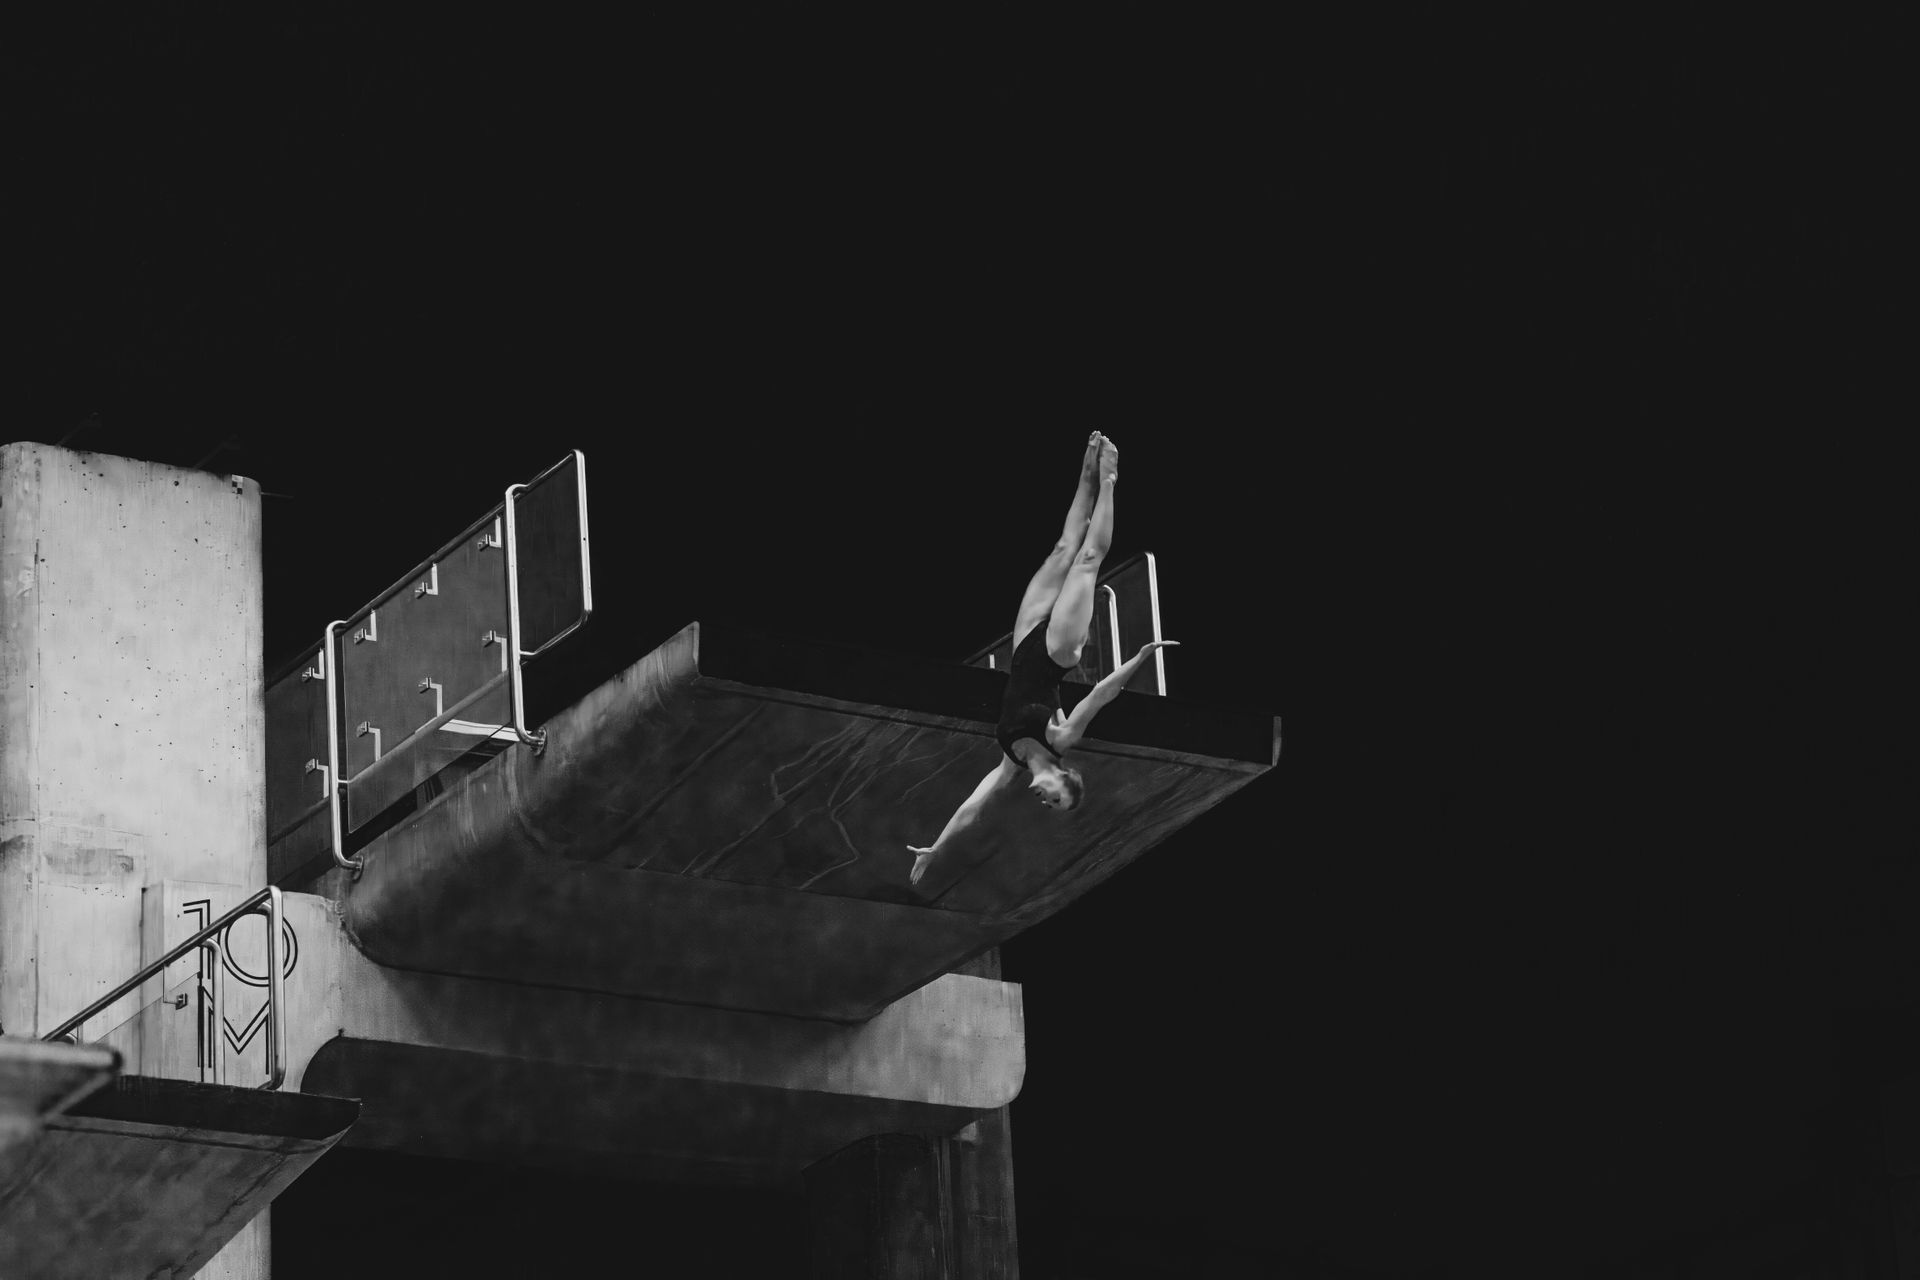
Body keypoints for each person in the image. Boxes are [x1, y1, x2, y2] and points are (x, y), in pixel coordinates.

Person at [909, 432, 1176, 886]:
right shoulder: (1061, 739)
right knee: (1087, 558)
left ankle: (1085, 472)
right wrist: (1140, 658)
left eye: (1049, 805)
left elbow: (972, 807)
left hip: (1023, 643)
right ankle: (1106, 479)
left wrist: (936, 848)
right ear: (1065, 777)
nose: (1045, 802)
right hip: (1055, 652)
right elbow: (1098, 695)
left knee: (1061, 549)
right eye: (1057, 799)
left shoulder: (1011, 762)